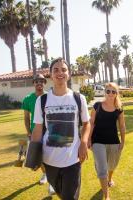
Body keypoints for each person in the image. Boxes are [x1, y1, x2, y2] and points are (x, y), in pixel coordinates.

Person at [31, 58, 90, 200]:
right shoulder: (42, 100)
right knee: (61, 194)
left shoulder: (78, 98)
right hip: (49, 160)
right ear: (50, 75)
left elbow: (86, 123)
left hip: (72, 160)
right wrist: (33, 156)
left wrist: (83, 143)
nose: (60, 73)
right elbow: (38, 129)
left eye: (63, 69)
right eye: (55, 70)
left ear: (68, 74)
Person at [88, 82, 126, 200]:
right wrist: (88, 139)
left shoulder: (119, 108)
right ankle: (107, 195)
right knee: (102, 167)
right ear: (105, 92)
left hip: (113, 141)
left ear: (116, 94)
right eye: (108, 91)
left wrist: (123, 141)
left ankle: (110, 179)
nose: (110, 93)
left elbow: (122, 125)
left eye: (113, 91)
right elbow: (91, 123)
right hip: (97, 141)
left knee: (112, 165)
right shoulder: (97, 105)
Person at [21, 74, 55, 195]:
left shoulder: (49, 97)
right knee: (39, 158)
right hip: (35, 133)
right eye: (37, 81)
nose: (39, 83)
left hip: (49, 132)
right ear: (33, 83)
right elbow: (26, 117)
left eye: (41, 81)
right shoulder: (28, 98)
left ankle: (52, 184)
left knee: (50, 157)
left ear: (44, 83)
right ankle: (45, 174)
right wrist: (29, 132)